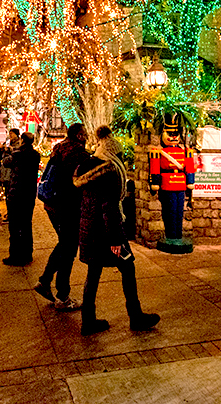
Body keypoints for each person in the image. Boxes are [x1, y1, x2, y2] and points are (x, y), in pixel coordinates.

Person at [75, 126, 159, 335]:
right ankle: (136, 316)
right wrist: (115, 240)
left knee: (93, 273)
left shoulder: (87, 166)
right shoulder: (111, 172)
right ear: (114, 153)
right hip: (106, 233)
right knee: (128, 267)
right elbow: (109, 207)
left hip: (89, 228)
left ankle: (88, 320)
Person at [33, 123, 89, 310]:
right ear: (80, 135)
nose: (87, 136)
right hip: (68, 206)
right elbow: (81, 182)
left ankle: (45, 281)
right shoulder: (79, 154)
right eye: (85, 134)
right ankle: (62, 296)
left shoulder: (59, 149)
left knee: (64, 243)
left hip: (52, 205)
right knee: (69, 249)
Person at [2, 132, 40, 266]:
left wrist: (6, 152)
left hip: (16, 193)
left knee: (14, 226)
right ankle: (27, 253)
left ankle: (15, 255)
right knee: (26, 224)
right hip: (29, 193)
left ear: (22, 141)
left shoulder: (17, 154)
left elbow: (6, 163)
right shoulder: (36, 155)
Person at [0, 128, 21, 223]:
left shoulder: (18, 143)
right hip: (5, 172)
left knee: (11, 195)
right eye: (9, 133)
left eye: (12, 134)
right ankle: (9, 212)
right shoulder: (8, 142)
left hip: (12, 173)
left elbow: (17, 154)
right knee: (7, 194)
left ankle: (12, 214)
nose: (10, 135)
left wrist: (10, 149)